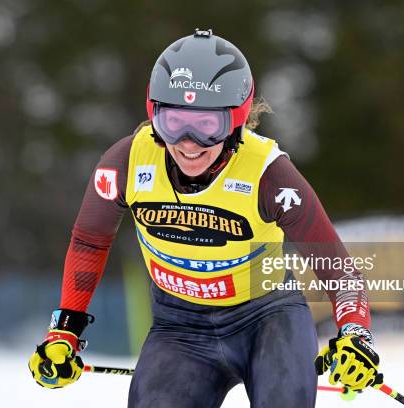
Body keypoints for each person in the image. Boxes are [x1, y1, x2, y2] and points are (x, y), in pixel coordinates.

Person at [28, 29, 382, 407]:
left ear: (235, 121)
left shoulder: (268, 173)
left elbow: (336, 265)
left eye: (207, 126)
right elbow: (89, 242)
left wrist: (355, 333)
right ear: (154, 115)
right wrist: (65, 330)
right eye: (174, 123)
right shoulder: (127, 162)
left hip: (267, 319)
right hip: (179, 327)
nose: (189, 143)